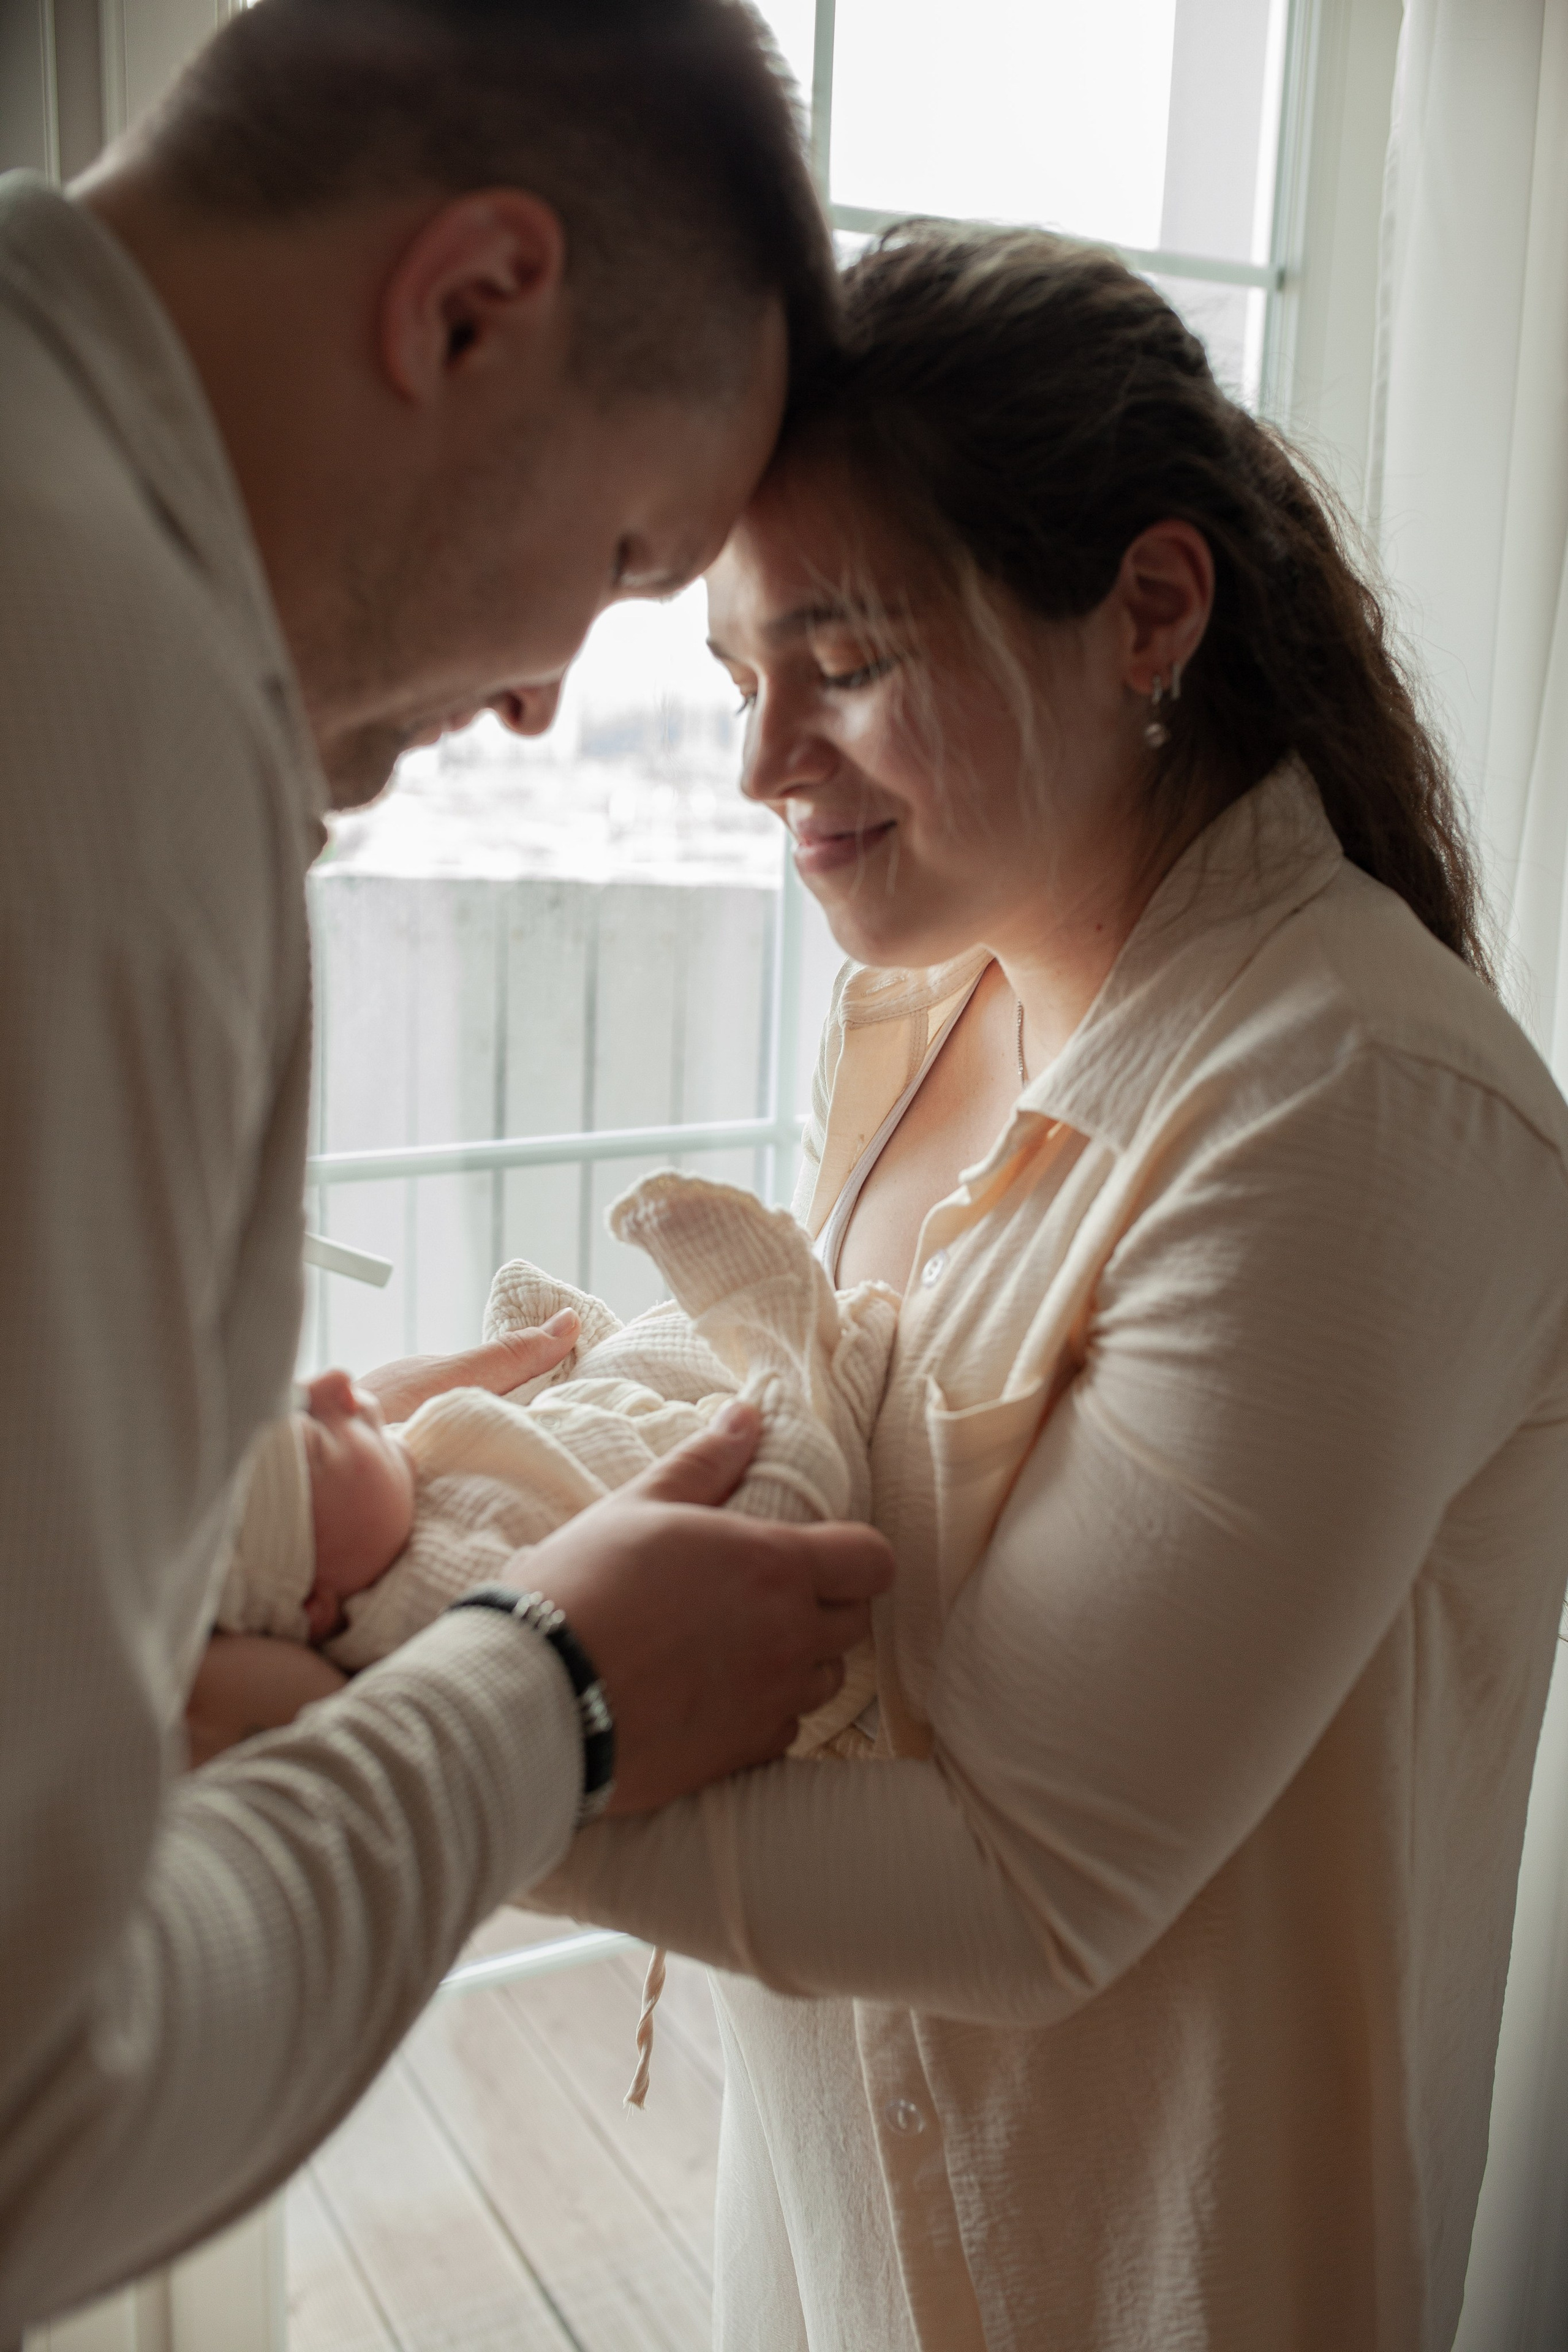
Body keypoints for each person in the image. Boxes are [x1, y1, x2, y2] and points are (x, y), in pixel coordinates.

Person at [516, 225, 1568, 2350]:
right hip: (848, 2200)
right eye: (736, 676)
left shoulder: (1351, 1102)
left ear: (1149, 610)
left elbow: (1028, 1880)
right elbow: (877, 1487)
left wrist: (428, 1748)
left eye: (840, 657)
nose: (759, 763)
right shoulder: (940, 991)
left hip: (1152, 2258)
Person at [0, 1, 894, 2334]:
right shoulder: (103, 730)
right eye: (624, 556)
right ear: (470, 304)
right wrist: (555, 1691)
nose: (534, 698)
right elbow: (33, 2110)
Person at [204, 1167, 893, 1751]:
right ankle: (785, 1343)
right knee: (785, 1486)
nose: (335, 1384)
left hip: (633, 1420)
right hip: (745, 1533)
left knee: (622, 1359)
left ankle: (770, 1354)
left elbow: (525, 1436)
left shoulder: (389, 1485)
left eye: (297, 1389)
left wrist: (551, 1380)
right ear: (316, 1605)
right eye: (314, 1440)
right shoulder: (427, 1616)